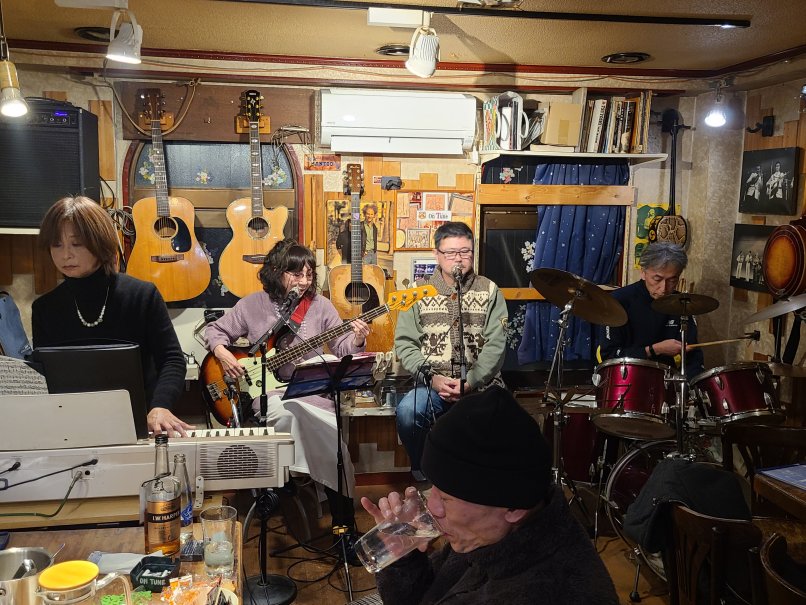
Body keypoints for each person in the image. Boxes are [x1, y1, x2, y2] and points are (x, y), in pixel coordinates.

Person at [361, 386, 619, 605]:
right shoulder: (486, 531)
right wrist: (402, 558)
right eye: (433, 489)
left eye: (447, 498)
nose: (432, 508)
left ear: (514, 508)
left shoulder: (557, 590)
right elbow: (425, 596)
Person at [204, 238, 370, 548]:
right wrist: (222, 353)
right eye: (296, 274)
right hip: (269, 394)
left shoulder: (321, 306)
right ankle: (291, 480)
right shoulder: (252, 305)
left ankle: (341, 523)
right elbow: (215, 331)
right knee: (285, 412)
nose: (304, 281)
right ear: (277, 272)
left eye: (309, 274)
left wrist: (357, 340)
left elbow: (342, 347)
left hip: (313, 394)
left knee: (337, 448)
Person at [31, 196, 191, 436]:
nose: (66, 255)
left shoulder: (142, 295)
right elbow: (43, 374)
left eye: (77, 244)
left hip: (140, 424)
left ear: (100, 243)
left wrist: (160, 406)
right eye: (57, 245)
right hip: (70, 428)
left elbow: (172, 359)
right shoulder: (45, 308)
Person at [394, 221, 507, 481]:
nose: (458, 259)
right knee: (408, 412)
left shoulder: (490, 290)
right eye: (451, 252)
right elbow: (406, 344)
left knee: (505, 422)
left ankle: (483, 482)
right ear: (437, 254)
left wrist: (472, 381)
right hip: (433, 385)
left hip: (482, 385)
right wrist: (432, 378)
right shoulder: (416, 292)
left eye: (465, 252)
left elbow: (496, 345)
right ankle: (424, 469)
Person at [598, 241, 704, 379]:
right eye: (657, 279)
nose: (664, 288)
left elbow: (693, 358)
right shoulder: (619, 301)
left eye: (672, 280)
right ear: (643, 272)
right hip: (627, 378)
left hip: (668, 381)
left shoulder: (682, 304)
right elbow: (609, 355)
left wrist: (689, 384)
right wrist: (654, 350)